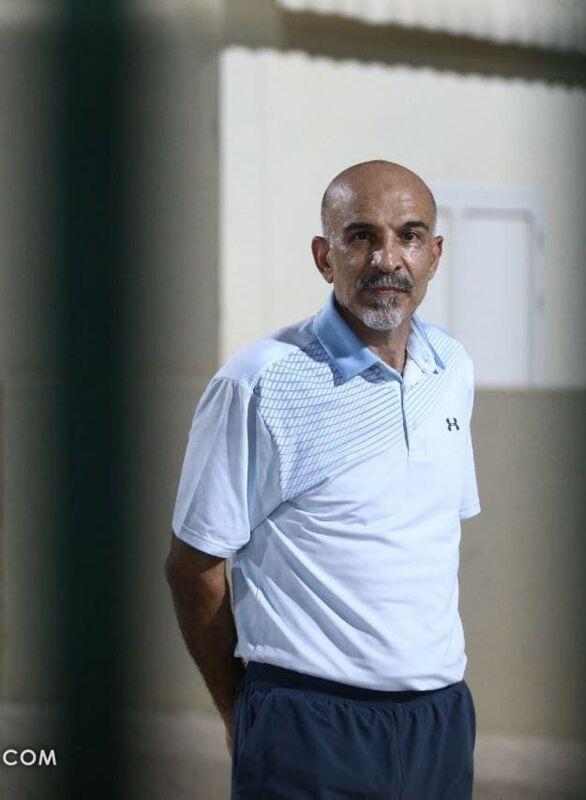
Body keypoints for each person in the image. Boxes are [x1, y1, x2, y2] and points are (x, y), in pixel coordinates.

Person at [165, 160, 481, 799]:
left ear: (435, 255)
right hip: (307, 723)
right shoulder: (258, 383)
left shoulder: (452, 368)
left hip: (439, 720)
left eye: (409, 236)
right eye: (361, 236)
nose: (387, 259)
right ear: (323, 256)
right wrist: (238, 710)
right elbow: (193, 565)